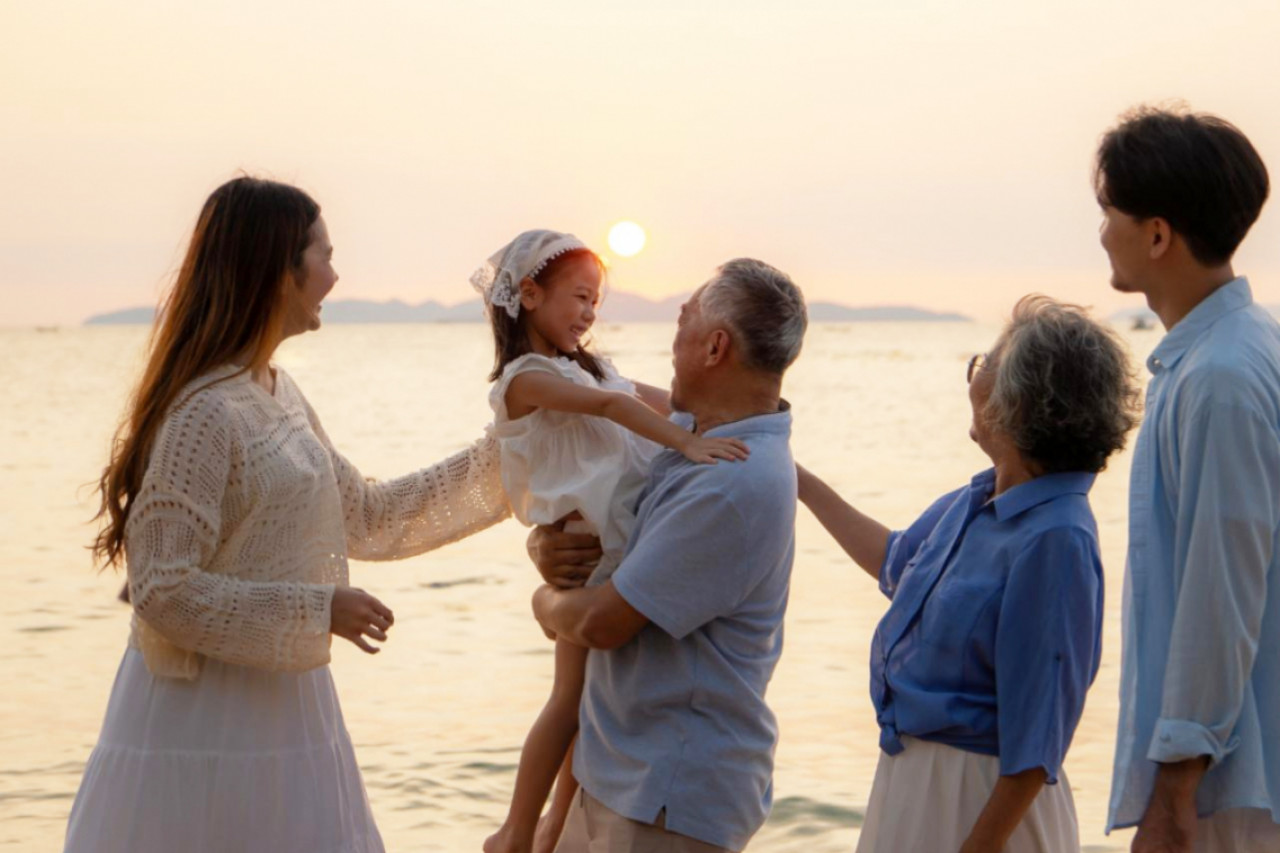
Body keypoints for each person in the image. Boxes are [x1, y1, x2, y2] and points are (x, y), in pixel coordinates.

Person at [64, 177, 511, 853]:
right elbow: (160, 588)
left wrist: (511, 457)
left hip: (289, 714)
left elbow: (369, 514)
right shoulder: (202, 413)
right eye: (323, 254)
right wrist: (316, 608)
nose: (335, 273)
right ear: (278, 271)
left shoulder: (277, 392)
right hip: (204, 723)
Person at [799, 296, 1140, 852]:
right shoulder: (979, 497)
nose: (975, 373)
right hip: (912, 789)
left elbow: (1037, 744)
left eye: (987, 361)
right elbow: (897, 564)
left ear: (1020, 401)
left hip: (980, 809)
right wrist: (796, 479)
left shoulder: (1057, 538)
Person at [471, 230, 750, 853]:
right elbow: (608, 408)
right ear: (530, 293)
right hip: (585, 544)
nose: (589, 313)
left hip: (615, 538)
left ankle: (552, 826)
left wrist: (724, 419)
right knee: (570, 697)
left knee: (590, 702)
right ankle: (515, 832)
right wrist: (687, 444)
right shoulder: (523, 379)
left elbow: (653, 400)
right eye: (578, 297)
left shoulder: (587, 366)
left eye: (596, 301)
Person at [528, 259, 806, 853]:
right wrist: (546, 545)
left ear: (714, 347)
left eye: (682, 320)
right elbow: (604, 407)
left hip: (668, 796)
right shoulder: (694, 436)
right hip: (621, 773)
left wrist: (544, 600)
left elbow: (603, 624)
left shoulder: (730, 483)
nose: (670, 337)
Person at [1097, 107, 1280, 853]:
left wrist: (1176, 788)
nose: (1102, 231)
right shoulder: (1220, 355)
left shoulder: (1223, 378)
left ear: (1158, 234)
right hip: (1226, 764)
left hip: (1231, 781)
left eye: (1108, 212)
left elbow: (1221, 586)